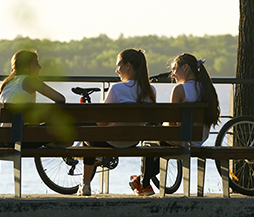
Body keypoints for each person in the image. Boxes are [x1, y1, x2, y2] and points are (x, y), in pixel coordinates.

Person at [129, 52, 220, 196]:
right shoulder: (207, 89)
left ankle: (144, 183)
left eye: (174, 69)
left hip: (182, 138)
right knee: (160, 138)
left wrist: (160, 125)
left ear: (185, 67)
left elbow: (171, 125)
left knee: (150, 135)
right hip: (199, 139)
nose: (172, 75)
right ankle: (140, 181)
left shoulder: (180, 89)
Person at [78, 48, 156, 196]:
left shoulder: (116, 88)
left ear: (128, 66)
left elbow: (101, 123)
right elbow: (148, 121)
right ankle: (86, 183)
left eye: (118, 65)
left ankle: (85, 184)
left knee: (87, 132)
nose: (116, 70)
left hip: (111, 140)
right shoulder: (150, 90)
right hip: (133, 141)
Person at [0, 49, 66, 147]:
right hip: (20, 139)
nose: (40, 67)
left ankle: (52, 146)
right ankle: (58, 149)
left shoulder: (8, 83)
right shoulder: (30, 80)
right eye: (36, 64)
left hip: (0, 139)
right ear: (27, 67)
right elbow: (60, 99)